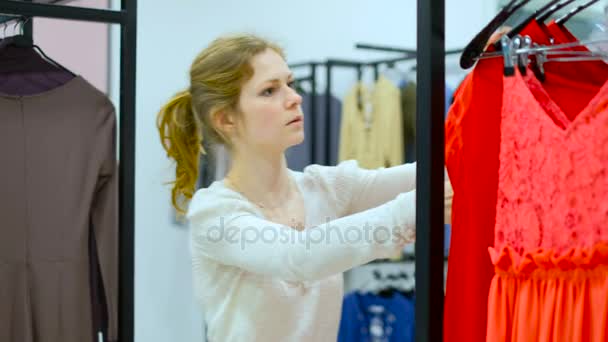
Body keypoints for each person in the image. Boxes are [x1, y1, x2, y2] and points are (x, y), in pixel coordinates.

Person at [156, 34, 453, 342]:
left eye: (290, 83)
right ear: (226, 119)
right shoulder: (214, 213)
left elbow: (425, 175)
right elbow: (298, 257)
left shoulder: (324, 187)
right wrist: (418, 209)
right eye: (269, 90)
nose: (294, 97)